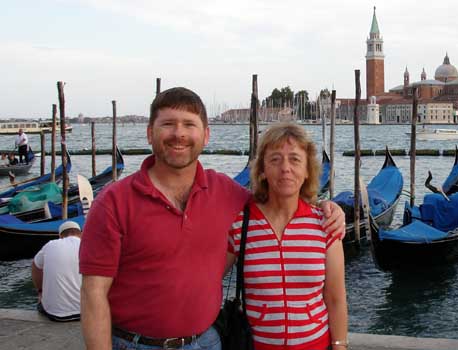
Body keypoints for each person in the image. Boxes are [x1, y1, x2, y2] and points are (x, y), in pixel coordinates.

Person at [79, 87, 345, 350]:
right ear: (150, 132)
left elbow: (280, 197)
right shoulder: (114, 202)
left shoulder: (226, 193)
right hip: (137, 344)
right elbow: (93, 294)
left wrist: (327, 207)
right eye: (168, 124)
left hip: (207, 342)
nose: (179, 133)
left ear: (205, 135)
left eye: (189, 125)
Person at [226, 122, 348, 350]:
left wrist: (340, 346)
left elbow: (335, 297)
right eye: (275, 159)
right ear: (262, 170)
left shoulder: (325, 224)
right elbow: (208, 279)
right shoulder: (240, 224)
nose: (285, 168)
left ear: (307, 171)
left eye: (294, 159)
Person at [32, 220, 82, 322]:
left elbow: (35, 266)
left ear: (60, 236)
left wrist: (40, 291)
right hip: (89, 312)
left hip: (56, 315)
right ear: (80, 233)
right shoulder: (88, 244)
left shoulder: (50, 245)